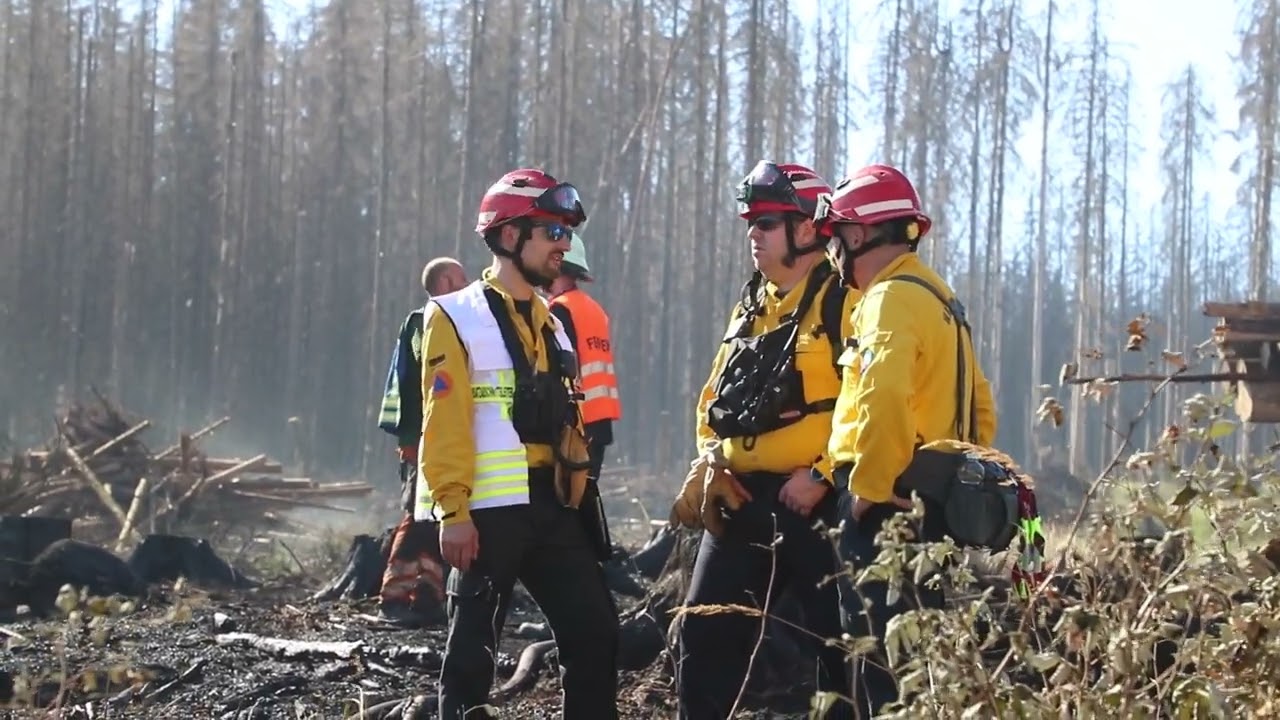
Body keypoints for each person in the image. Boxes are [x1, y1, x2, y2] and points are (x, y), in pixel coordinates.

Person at [420, 168, 619, 720]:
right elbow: (445, 419)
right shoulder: (454, 316)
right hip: (489, 511)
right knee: (471, 656)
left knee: (596, 633)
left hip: (554, 507)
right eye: (551, 232)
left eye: (565, 233)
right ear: (510, 237)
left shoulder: (553, 325)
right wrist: (452, 510)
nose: (564, 245)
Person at [669, 161, 858, 720]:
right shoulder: (751, 302)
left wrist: (823, 472)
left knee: (841, 652)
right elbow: (711, 397)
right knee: (701, 638)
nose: (753, 233)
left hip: (817, 505)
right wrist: (712, 460)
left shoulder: (844, 301)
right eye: (750, 222)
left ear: (806, 229)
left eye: (767, 222)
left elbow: (866, 403)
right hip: (742, 497)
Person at [814, 163, 998, 716]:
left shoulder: (887, 298)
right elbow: (980, 408)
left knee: (880, 660)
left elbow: (885, 395)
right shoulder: (943, 302)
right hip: (934, 501)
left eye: (836, 237)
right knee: (921, 660)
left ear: (858, 234)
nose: (833, 252)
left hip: (885, 505)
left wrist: (868, 487)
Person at [375, 256, 467, 626]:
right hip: (423, 441)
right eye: (461, 278)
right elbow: (429, 385)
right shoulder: (427, 322)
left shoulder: (444, 322)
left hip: (437, 439)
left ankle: (428, 596)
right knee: (417, 515)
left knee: (434, 516)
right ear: (444, 282)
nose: (468, 284)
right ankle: (394, 596)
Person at [546, 233, 621, 488]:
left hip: (575, 426)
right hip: (599, 421)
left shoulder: (559, 310)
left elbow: (560, 369)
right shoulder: (593, 309)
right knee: (586, 501)